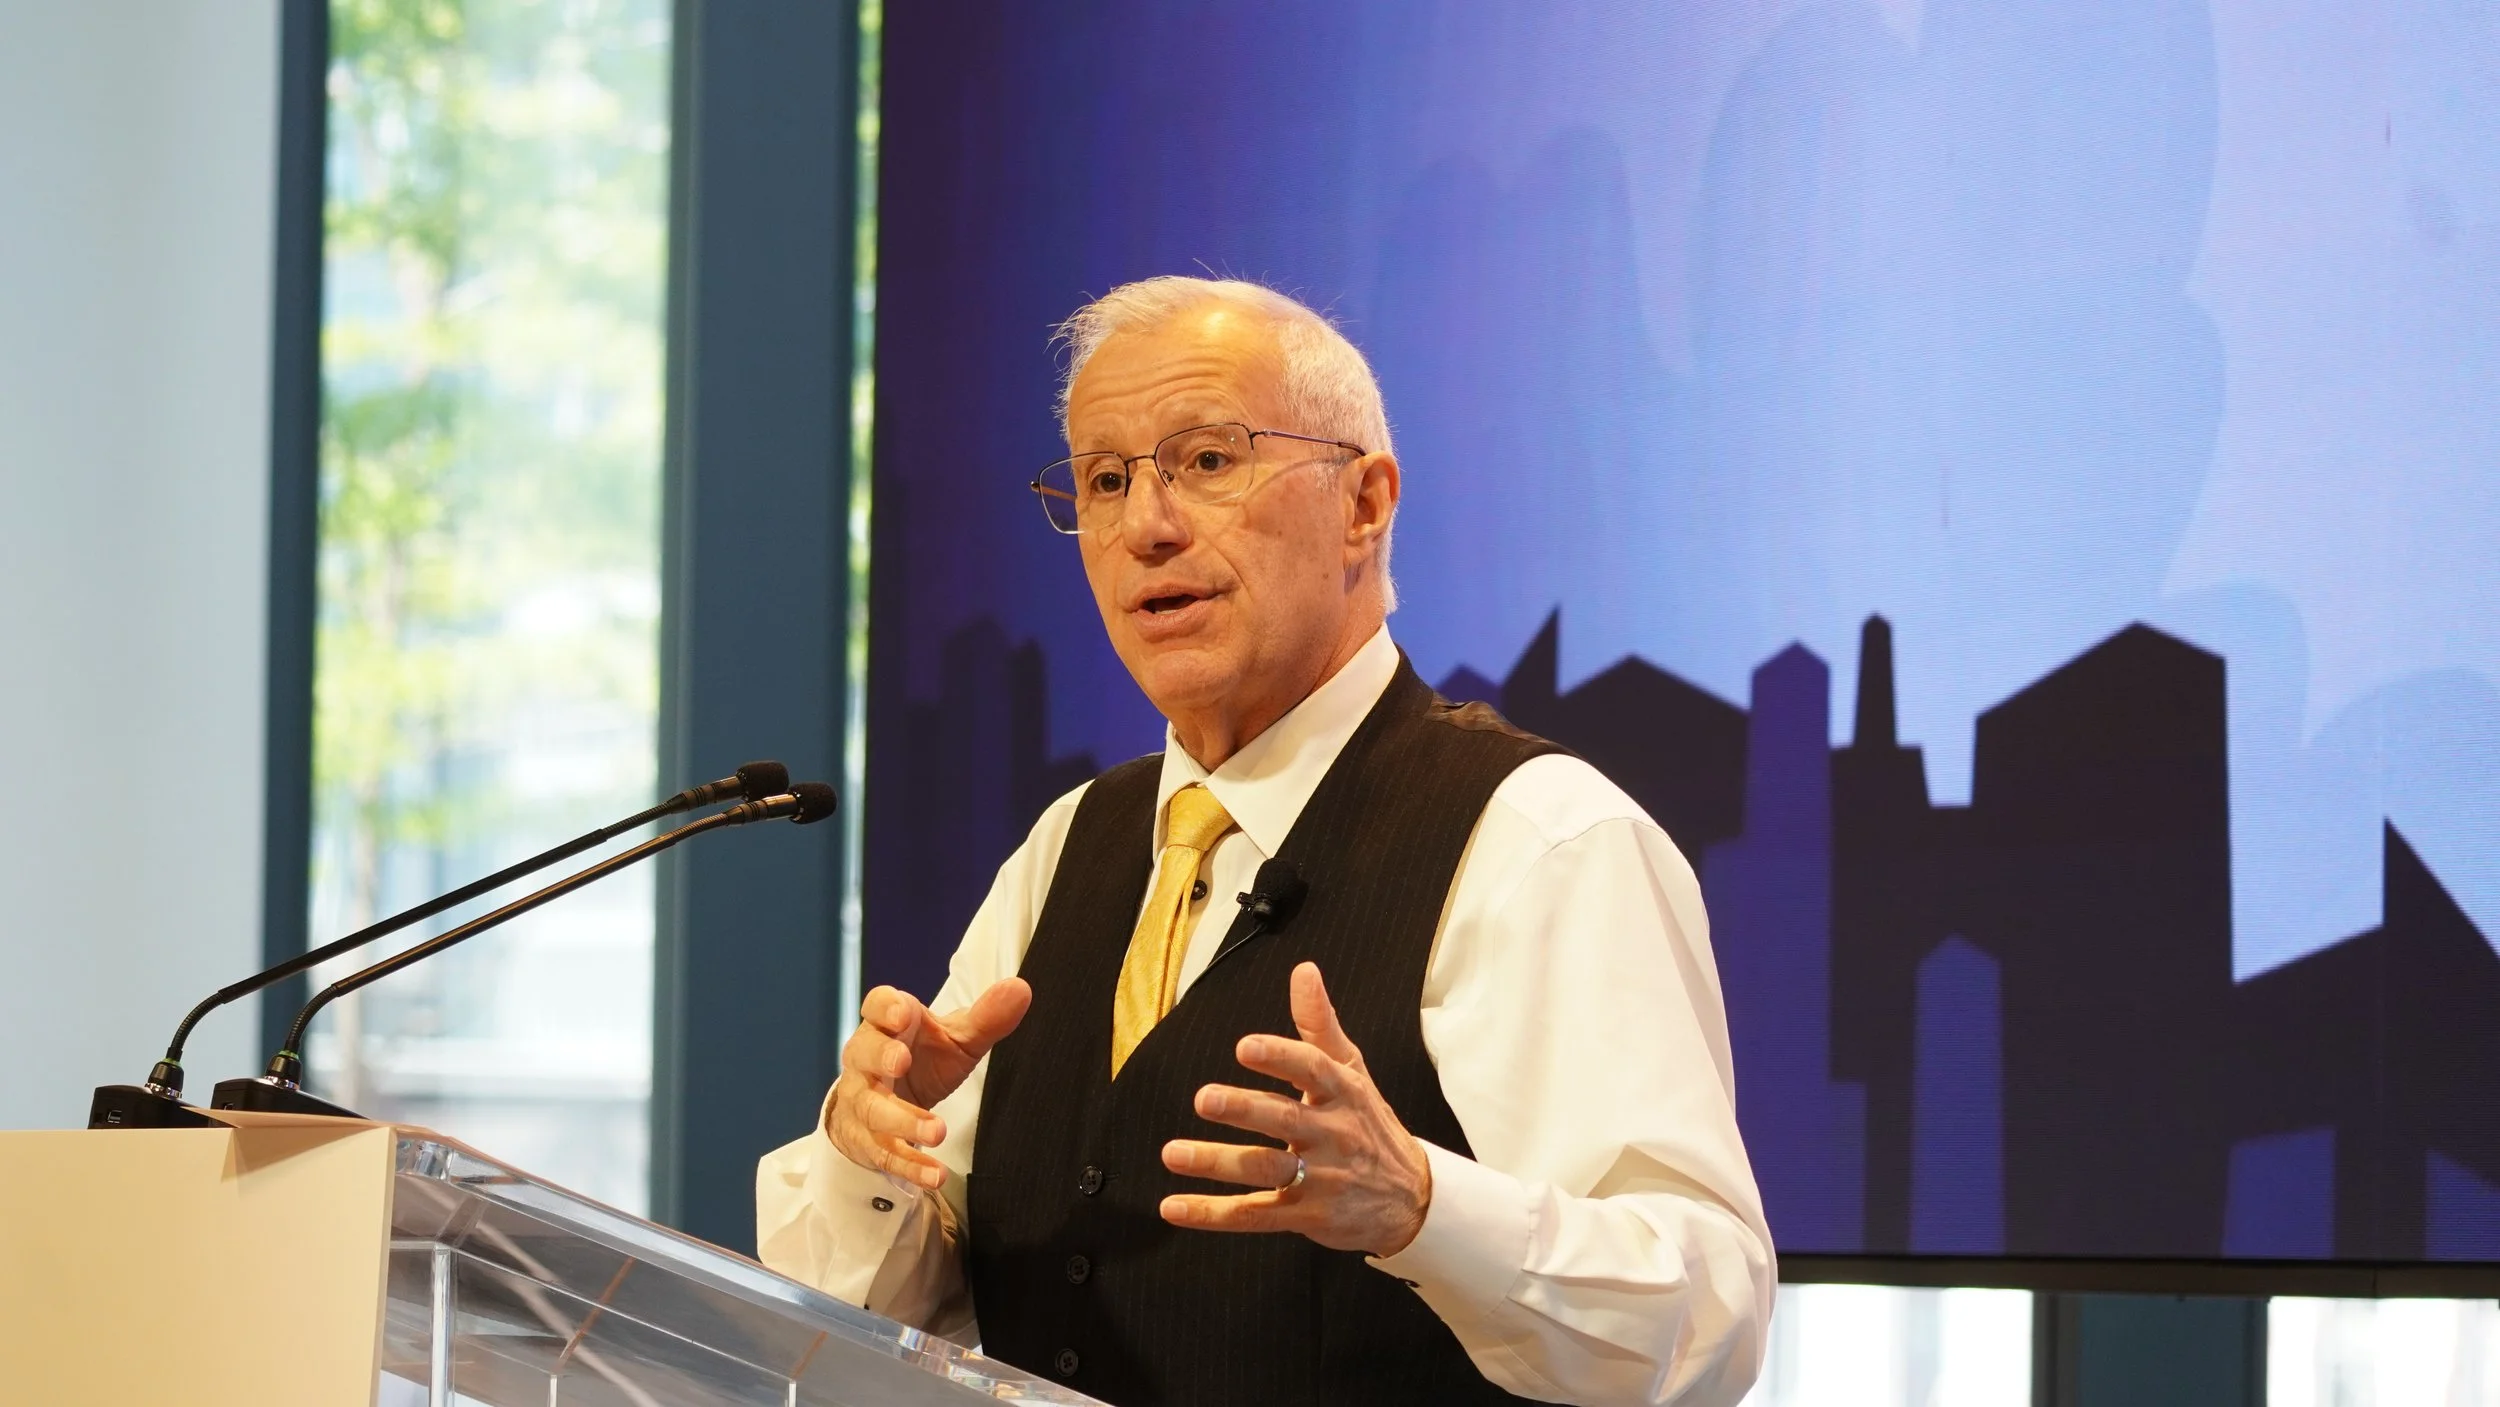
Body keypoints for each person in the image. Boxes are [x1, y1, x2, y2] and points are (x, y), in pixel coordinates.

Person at [758, 276, 1773, 1406]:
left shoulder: (1539, 837)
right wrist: (872, 1159)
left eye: (1206, 461)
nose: (1146, 527)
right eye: (1103, 480)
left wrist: (1425, 1210)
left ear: (1365, 504)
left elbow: (1707, 1317)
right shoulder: (1069, 846)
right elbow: (877, 1324)